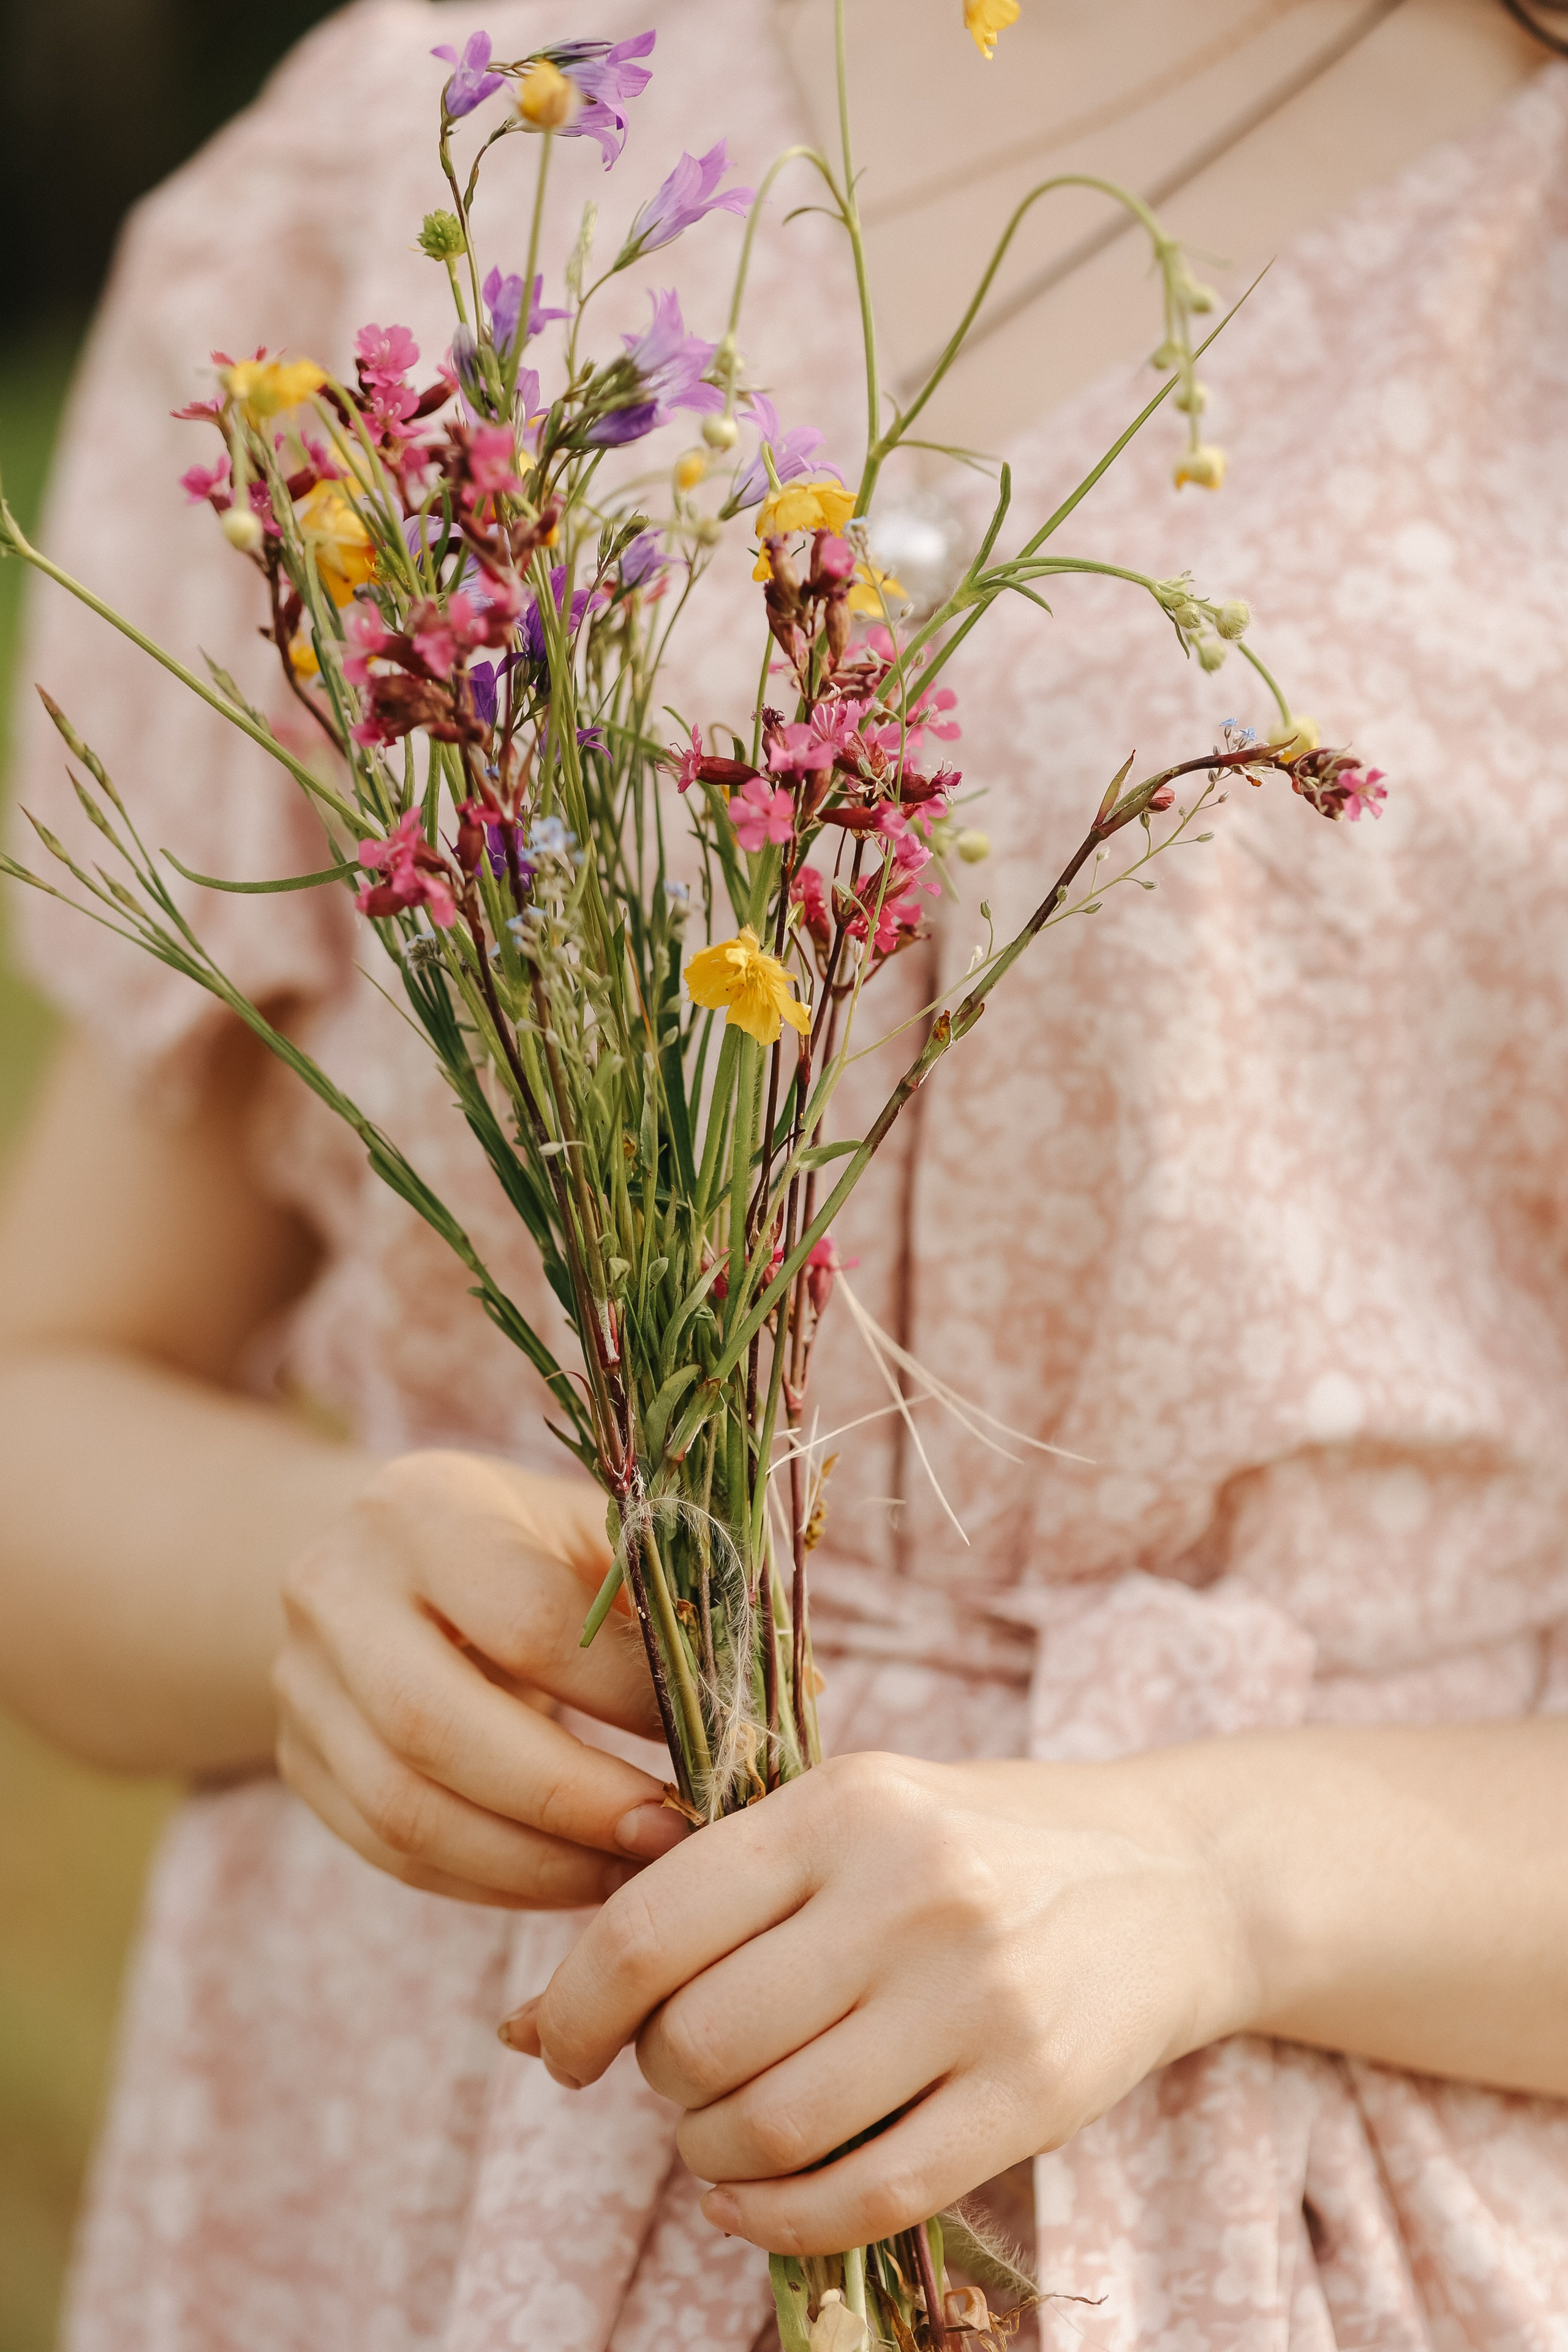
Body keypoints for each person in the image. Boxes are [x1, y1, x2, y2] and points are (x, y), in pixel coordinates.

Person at [2, 0, 1567, 2343]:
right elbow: (53, 1400)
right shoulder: (415, 141)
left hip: (1314, 2225)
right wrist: (315, 1590)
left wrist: (1215, 1872)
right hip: (406, 2190)